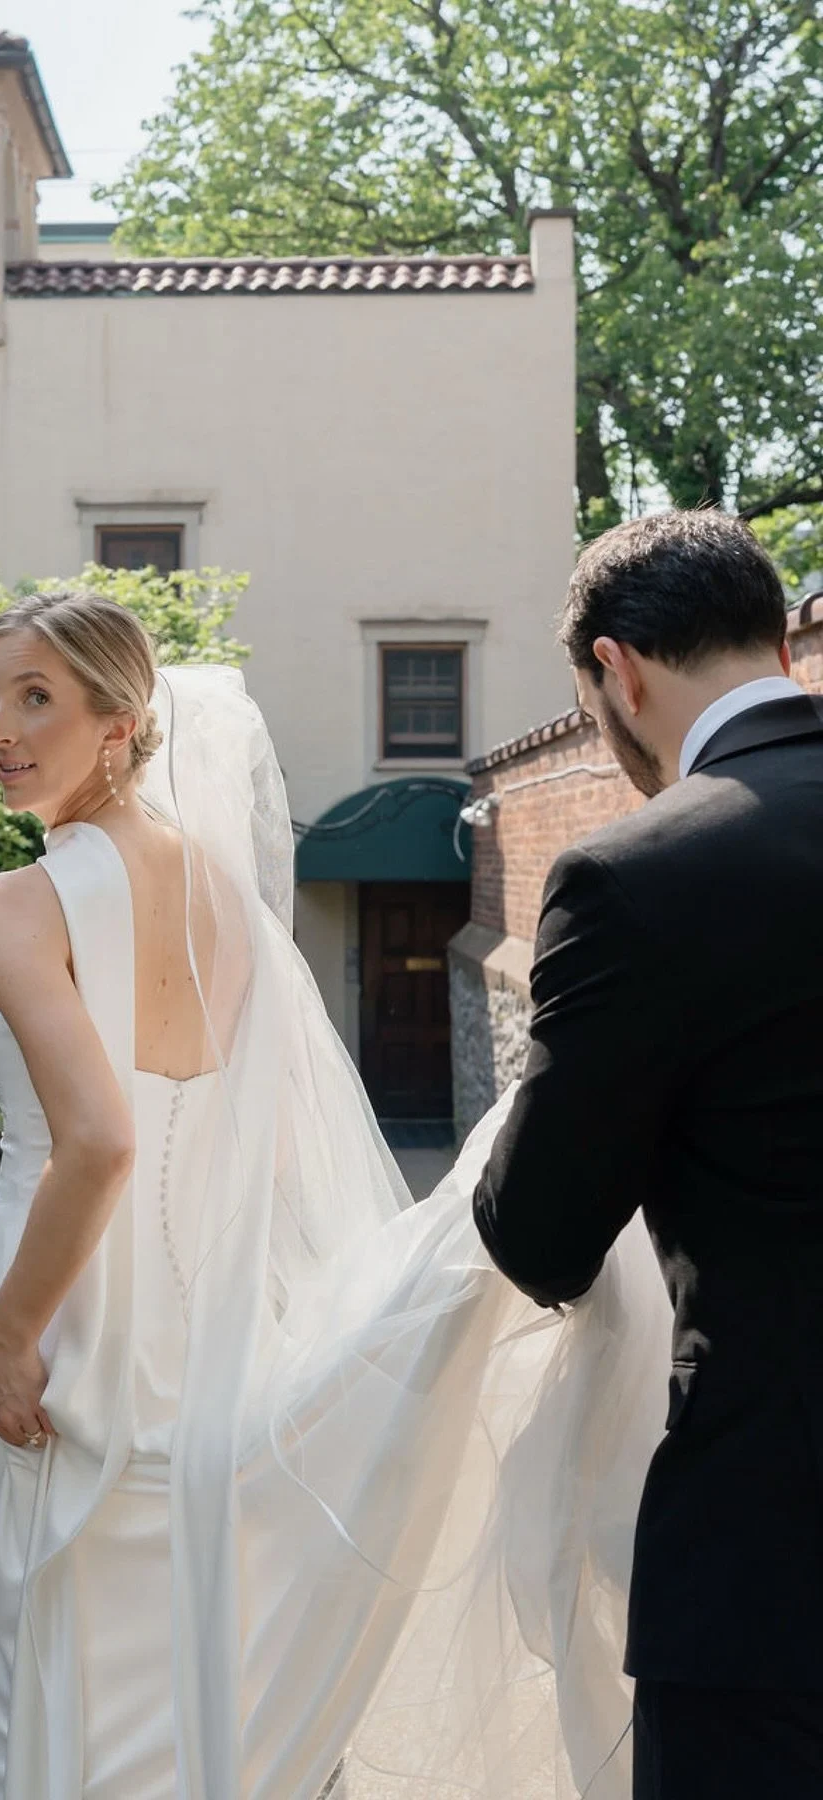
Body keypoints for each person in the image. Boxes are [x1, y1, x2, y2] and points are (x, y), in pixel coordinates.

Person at [0, 588, 668, 1800]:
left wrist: (14, 1334)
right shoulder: (223, 895)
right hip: (198, 1338)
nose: (0, 730)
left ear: (121, 722)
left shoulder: (12, 904)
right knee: (180, 1668)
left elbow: (101, 1141)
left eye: (36, 697)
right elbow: (261, 1146)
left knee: (36, 1686)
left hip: (56, 1322)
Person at [473, 508, 823, 1800]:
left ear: (617, 673)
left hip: (773, 1563)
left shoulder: (637, 876)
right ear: (781, 636)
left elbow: (543, 1235)